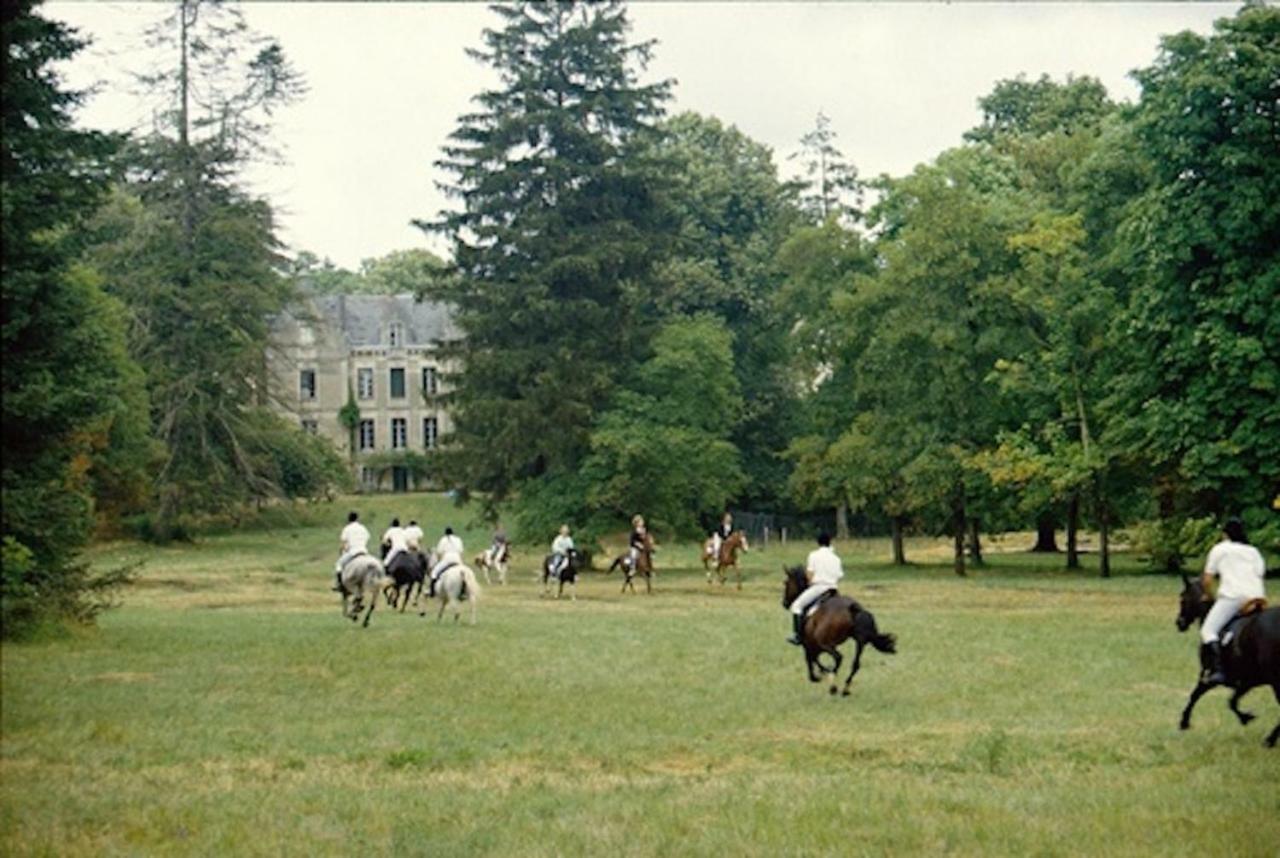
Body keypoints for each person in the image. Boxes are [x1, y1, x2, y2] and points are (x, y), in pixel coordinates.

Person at [1199, 518, 1268, 684]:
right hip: (1257, 596)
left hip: (1233, 596)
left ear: (1225, 534)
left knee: (1208, 631)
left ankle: (1218, 670)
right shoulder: (1253, 551)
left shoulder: (1220, 549)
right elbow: (1259, 573)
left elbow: (1207, 580)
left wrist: (1209, 595)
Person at [787, 532, 844, 645]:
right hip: (833, 588)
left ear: (818, 543)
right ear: (830, 542)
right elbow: (839, 576)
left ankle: (798, 636)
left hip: (819, 587)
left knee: (796, 606)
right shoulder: (836, 558)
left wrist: (810, 583)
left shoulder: (813, 555)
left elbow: (809, 575)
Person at [333, 511, 371, 593]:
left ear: (348, 519)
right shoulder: (363, 528)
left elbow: (344, 543)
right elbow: (367, 538)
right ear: (357, 519)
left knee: (338, 565)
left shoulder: (347, 528)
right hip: (364, 551)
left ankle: (339, 584)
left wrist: (344, 549)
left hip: (353, 552)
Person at [429, 526, 464, 597]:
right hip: (457, 559)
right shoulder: (458, 539)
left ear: (445, 533)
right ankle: (463, 591)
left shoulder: (443, 539)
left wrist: (439, 560)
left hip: (447, 559)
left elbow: (439, 552)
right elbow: (461, 551)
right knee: (464, 574)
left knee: (434, 573)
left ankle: (432, 592)